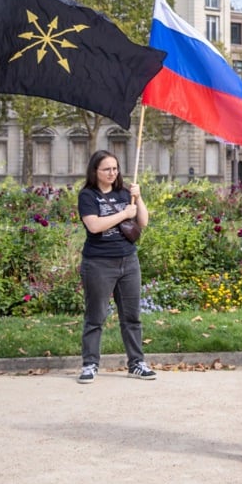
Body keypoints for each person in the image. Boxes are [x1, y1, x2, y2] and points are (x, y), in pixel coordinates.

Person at [76, 150, 155, 384]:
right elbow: (94, 226)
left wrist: (138, 198)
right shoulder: (88, 195)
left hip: (128, 260)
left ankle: (136, 363)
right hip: (98, 262)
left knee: (132, 316)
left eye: (115, 168)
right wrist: (123, 214)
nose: (113, 173)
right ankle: (90, 364)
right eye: (107, 169)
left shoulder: (124, 193)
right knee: (95, 316)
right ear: (95, 172)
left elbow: (143, 221)